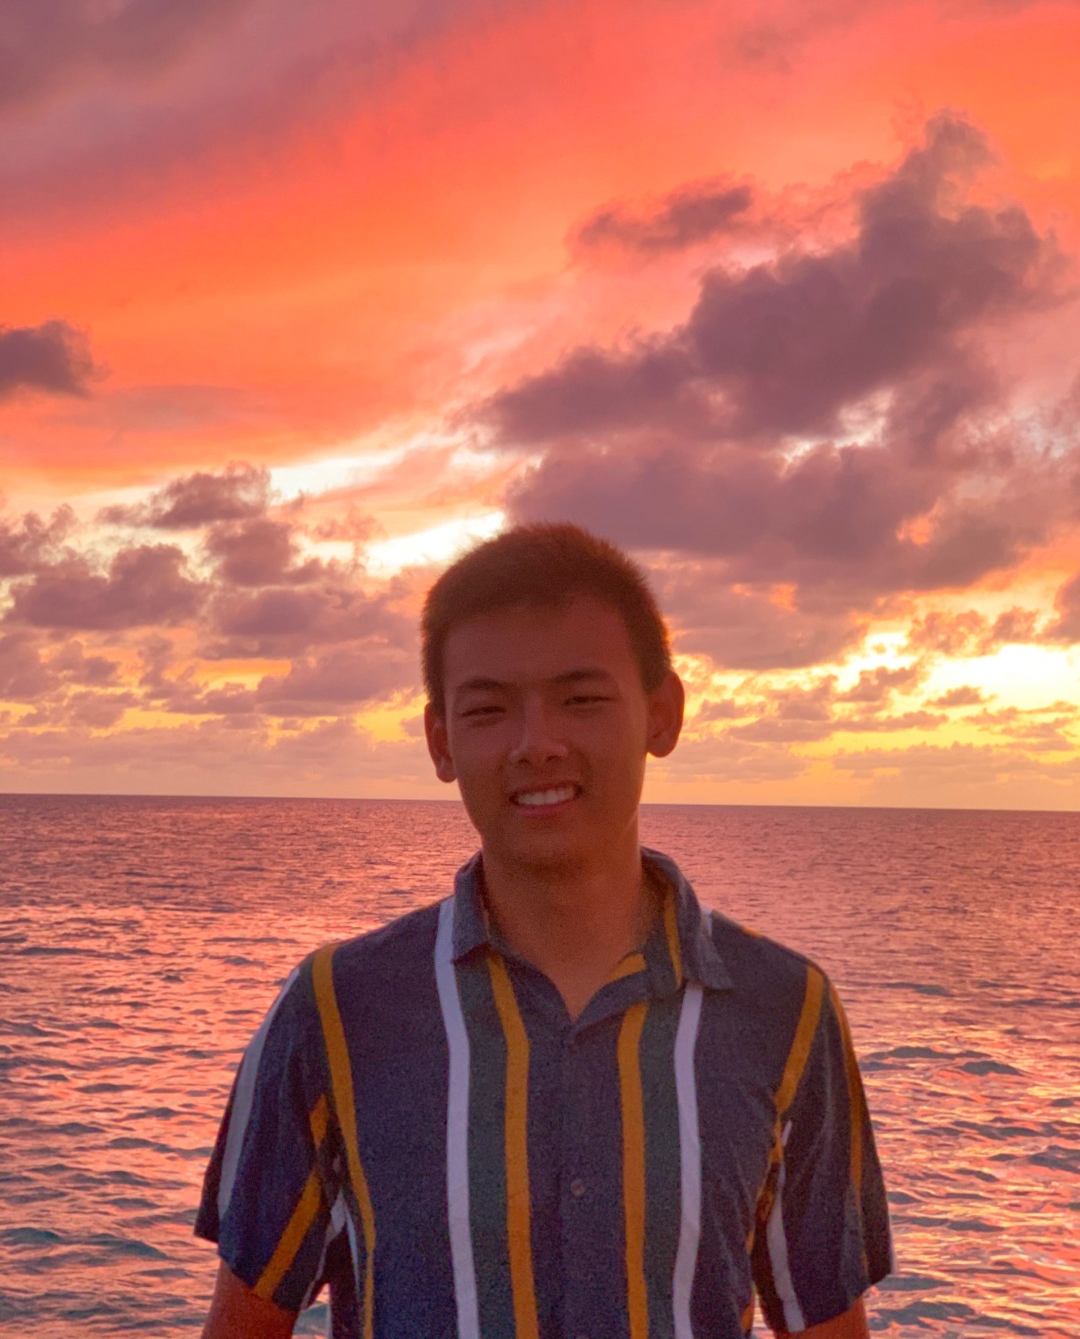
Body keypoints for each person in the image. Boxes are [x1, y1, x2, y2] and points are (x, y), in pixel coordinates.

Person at [196, 522, 892, 1339]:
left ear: (662, 715)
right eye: (489, 709)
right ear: (441, 742)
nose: (537, 745)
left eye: (581, 699)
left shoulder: (785, 1010)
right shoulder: (338, 1011)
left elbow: (827, 1323)